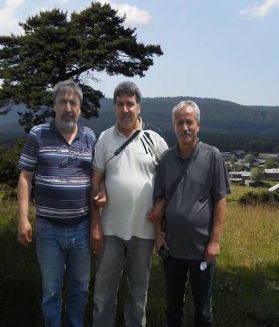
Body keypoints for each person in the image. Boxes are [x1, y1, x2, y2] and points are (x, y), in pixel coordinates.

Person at [17, 80, 96, 327]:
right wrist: (22, 218)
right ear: (54, 106)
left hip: (82, 228)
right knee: (51, 291)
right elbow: (24, 177)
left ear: (80, 108)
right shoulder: (38, 134)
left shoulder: (89, 137)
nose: (68, 107)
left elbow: (95, 179)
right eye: (63, 102)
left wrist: (99, 209)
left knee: (80, 289)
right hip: (48, 229)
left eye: (73, 103)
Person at [90, 81, 168, 327]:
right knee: (103, 295)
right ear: (114, 108)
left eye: (130, 104)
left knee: (138, 296)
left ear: (139, 107)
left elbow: (169, 182)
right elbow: (96, 182)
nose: (125, 110)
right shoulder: (104, 138)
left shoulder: (154, 140)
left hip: (143, 231)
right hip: (110, 230)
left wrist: (161, 209)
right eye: (120, 104)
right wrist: (95, 223)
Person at [148, 100, 230, 327]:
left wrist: (214, 241)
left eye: (189, 122)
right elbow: (158, 200)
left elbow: (220, 200)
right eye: (180, 123)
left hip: (202, 249)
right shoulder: (166, 159)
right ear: (173, 126)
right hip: (172, 249)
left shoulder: (212, 155)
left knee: (203, 312)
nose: (185, 127)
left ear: (198, 126)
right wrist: (158, 236)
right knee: (173, 309)